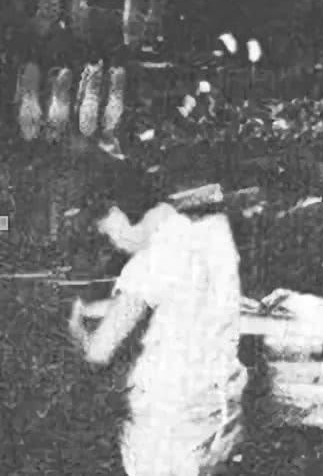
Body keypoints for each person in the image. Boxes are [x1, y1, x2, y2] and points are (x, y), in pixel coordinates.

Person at [68, 198, 247, 476]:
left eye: (110, 232)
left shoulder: (157, 253)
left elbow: (98, 352)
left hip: (167, 422)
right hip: (218, 408)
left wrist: (77, 329)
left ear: (119, 211)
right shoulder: (215, 233)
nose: (116, 245)